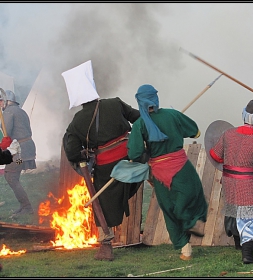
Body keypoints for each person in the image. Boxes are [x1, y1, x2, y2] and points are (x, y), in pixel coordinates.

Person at [62, 61, 143, 247]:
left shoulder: (77, 121)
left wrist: (83, 155)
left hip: (106, 168)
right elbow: (138, 118)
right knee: (148, 168)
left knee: (102, 202)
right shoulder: (115, 103)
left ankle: (104, 237)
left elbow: (72, 151)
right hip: (132, 159)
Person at [127, 84, 208, 261]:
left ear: (140, 102)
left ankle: (185, 250)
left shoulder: (140, 124)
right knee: (191, 197)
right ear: (155, 98)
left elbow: (134, 153)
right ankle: (191, 221)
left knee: (169, 209)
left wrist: (147, 151)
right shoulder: (173, 115)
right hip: (181, 167)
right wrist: (175, 123)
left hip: (159, 172)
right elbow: (196, 132)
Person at [209, 99, 253, 264]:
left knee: (234, 212)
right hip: (247, 184)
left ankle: (238, 246)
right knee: (250, 219)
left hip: (228, 181)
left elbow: (215, 155)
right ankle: (247, 255)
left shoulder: (228, 134)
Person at [0, 90, 36, 216]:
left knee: (11, 176)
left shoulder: (9, 112)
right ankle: (24, 206)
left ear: (6, 101)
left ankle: (27, 207)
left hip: (20, 151)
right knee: (14, 175)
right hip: (25, 151)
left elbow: (7, 132)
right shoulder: (20, 111)